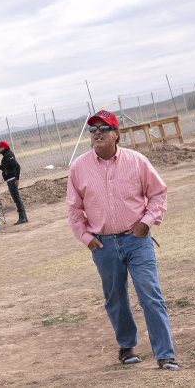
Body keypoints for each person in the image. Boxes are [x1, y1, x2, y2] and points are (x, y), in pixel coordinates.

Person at [67, 110, 178, 370]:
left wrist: (146, 222)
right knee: (115, 298)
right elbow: (74, 209)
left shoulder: (137, 161)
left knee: (150, 294)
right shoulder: (78, 168)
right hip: (103, 245)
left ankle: (165, 354)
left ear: (117, 134)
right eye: (93, 129)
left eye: (103, 129)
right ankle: (127, 347)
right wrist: (86, 237)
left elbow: (159, 193)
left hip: (136, 240)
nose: (97, 133)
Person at [0, 140, 28, 225]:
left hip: (12, 180)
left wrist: (17, 178)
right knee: (16, 198)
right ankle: (23, 217)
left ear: (3, 147)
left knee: (16, 198)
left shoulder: (8, 155)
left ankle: (22, 217)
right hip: (10, 179)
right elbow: (5, 169)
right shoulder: (6, 155)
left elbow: (17, 166)